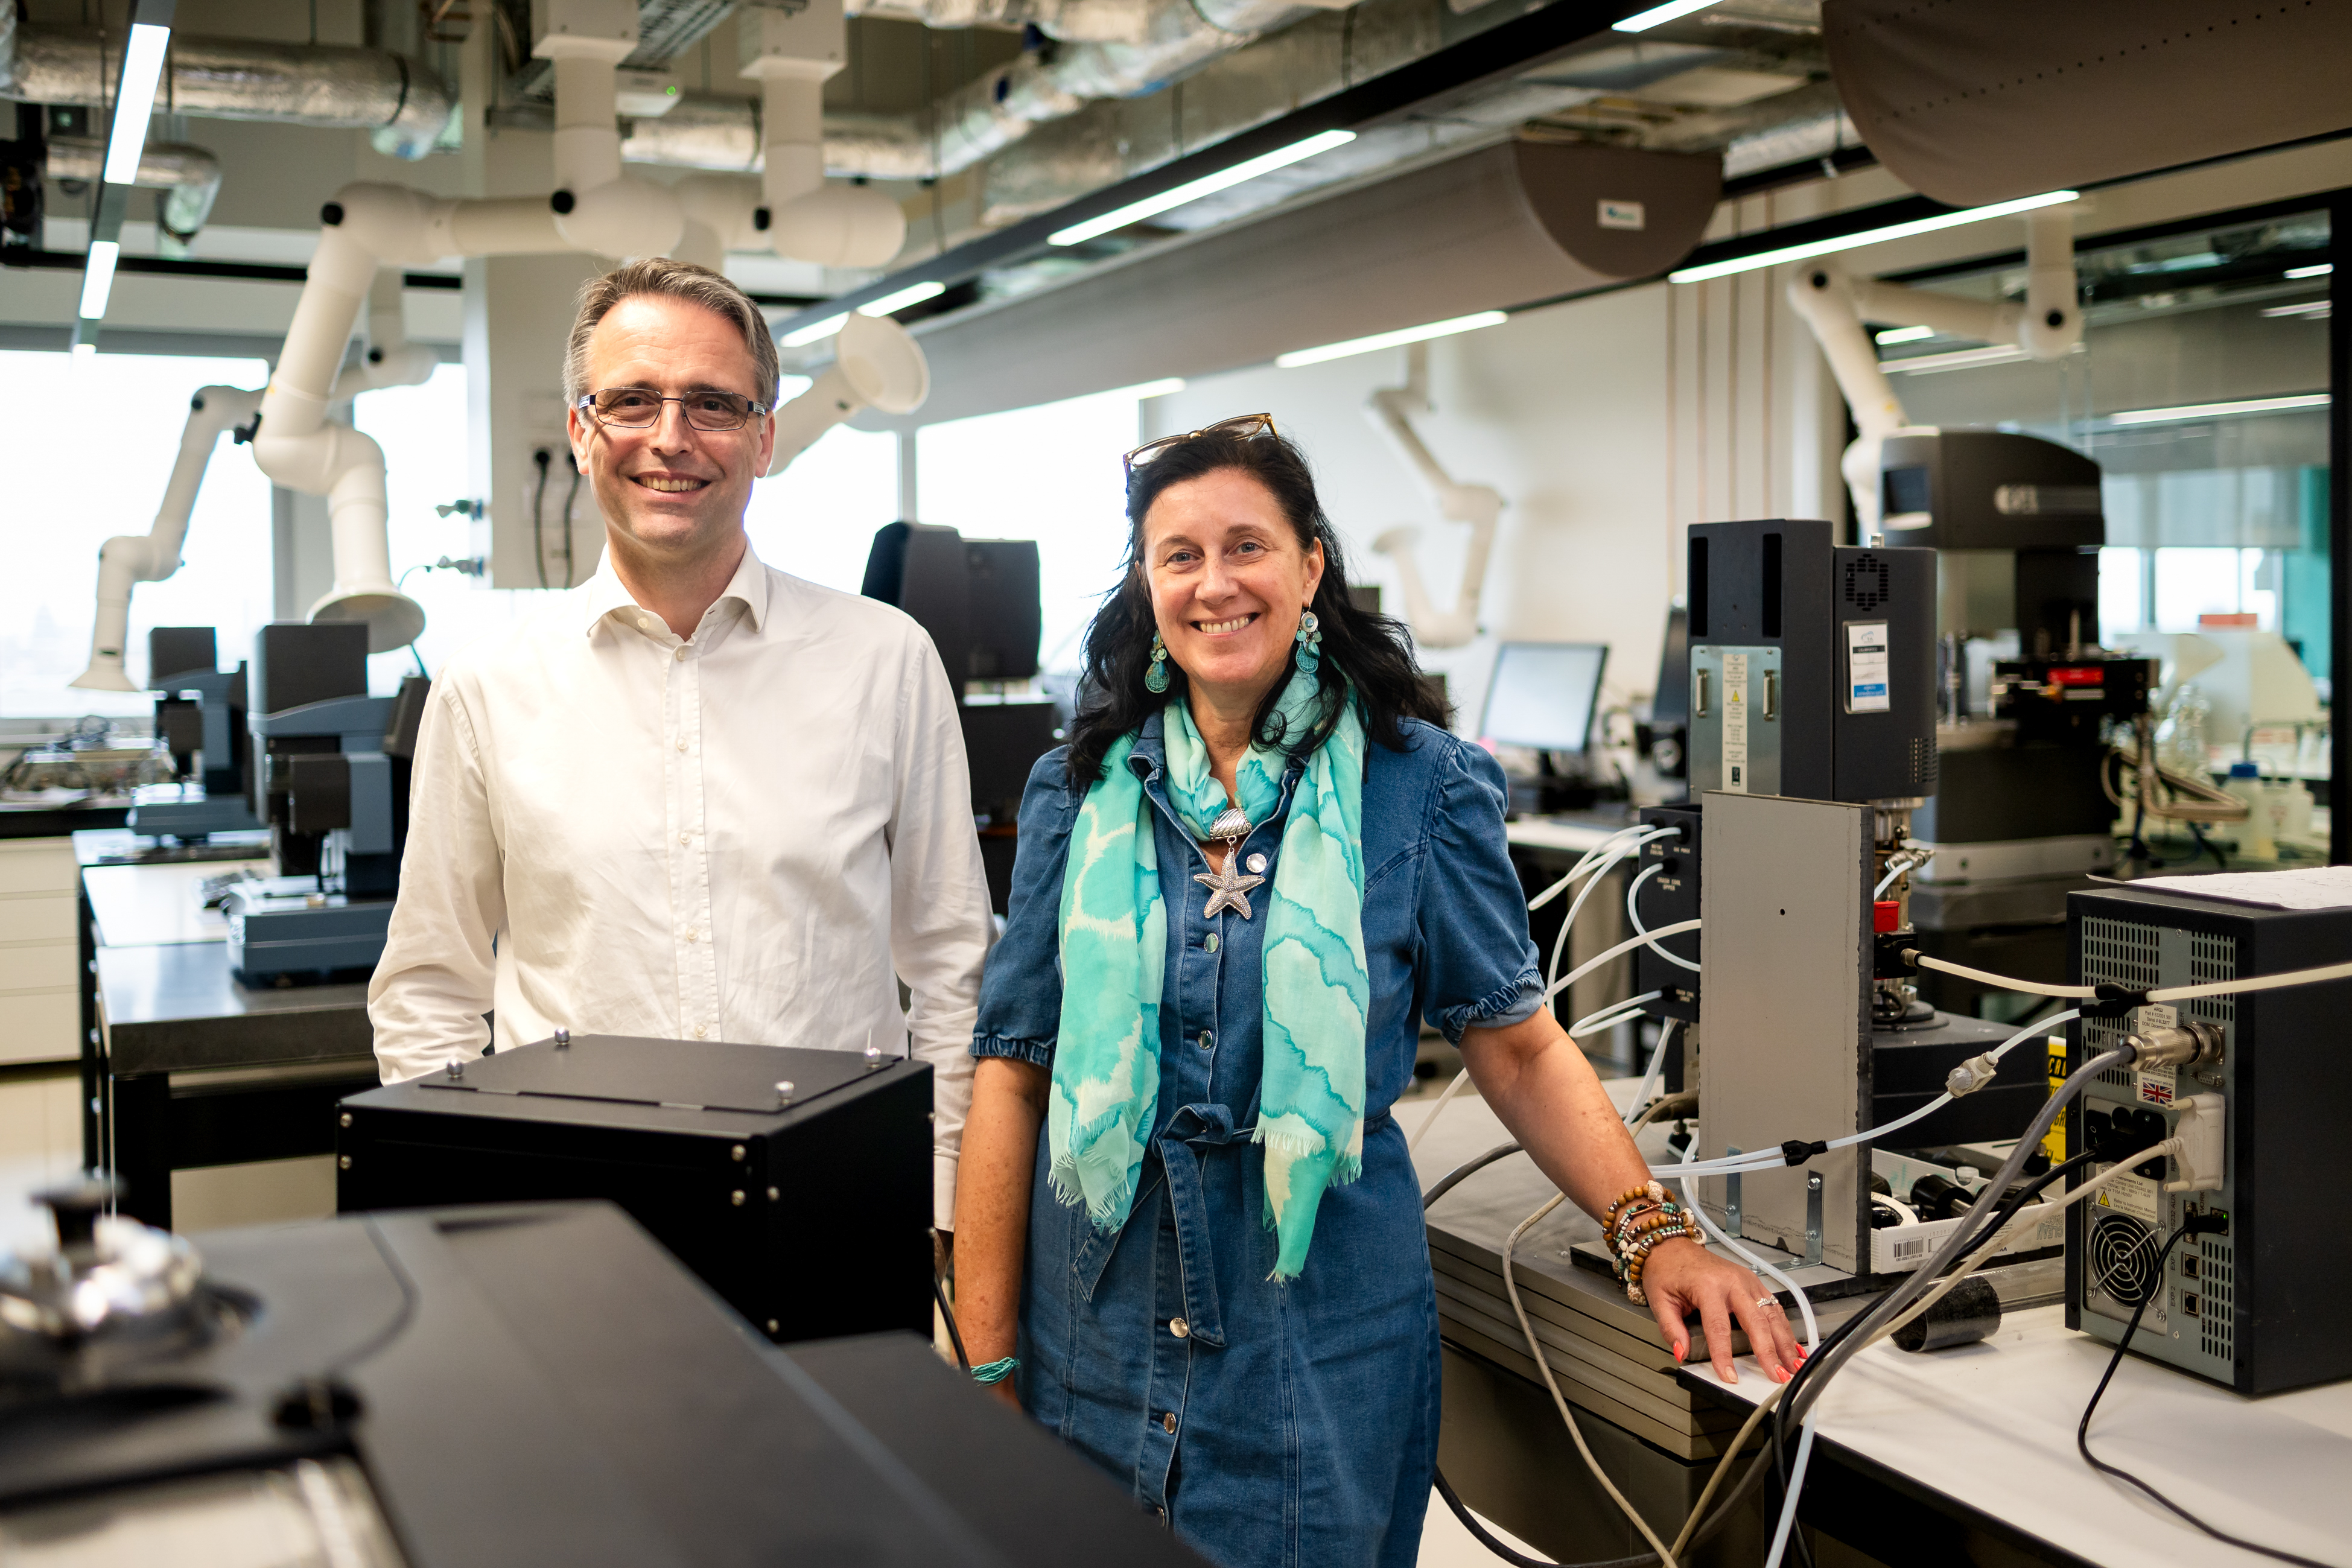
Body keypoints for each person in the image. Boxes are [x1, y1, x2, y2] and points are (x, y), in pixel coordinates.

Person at [951, 415, 1799, 1567]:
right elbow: (1013, 1072)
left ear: (1309, 565)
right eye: (1179, 556)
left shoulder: (1425, 787)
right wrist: (986, 1360)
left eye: (1246, 546)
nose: (1214, 584)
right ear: (1147, 584)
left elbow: (1517, 1046)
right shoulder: (1076, 789)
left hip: (1313, 1341)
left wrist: (1652, 1236)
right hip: (1090, 1335)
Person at [369, 258, 992, 1239]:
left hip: (839, 1206)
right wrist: (463, 1206)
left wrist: (941, 1202)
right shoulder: (487, 681)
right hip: (573, 1221)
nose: (669, 438)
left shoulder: (884, 661)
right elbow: (430, 985)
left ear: (763, 435)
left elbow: (954, 965)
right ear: (581, 431)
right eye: (631, 401)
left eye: (711, 403)